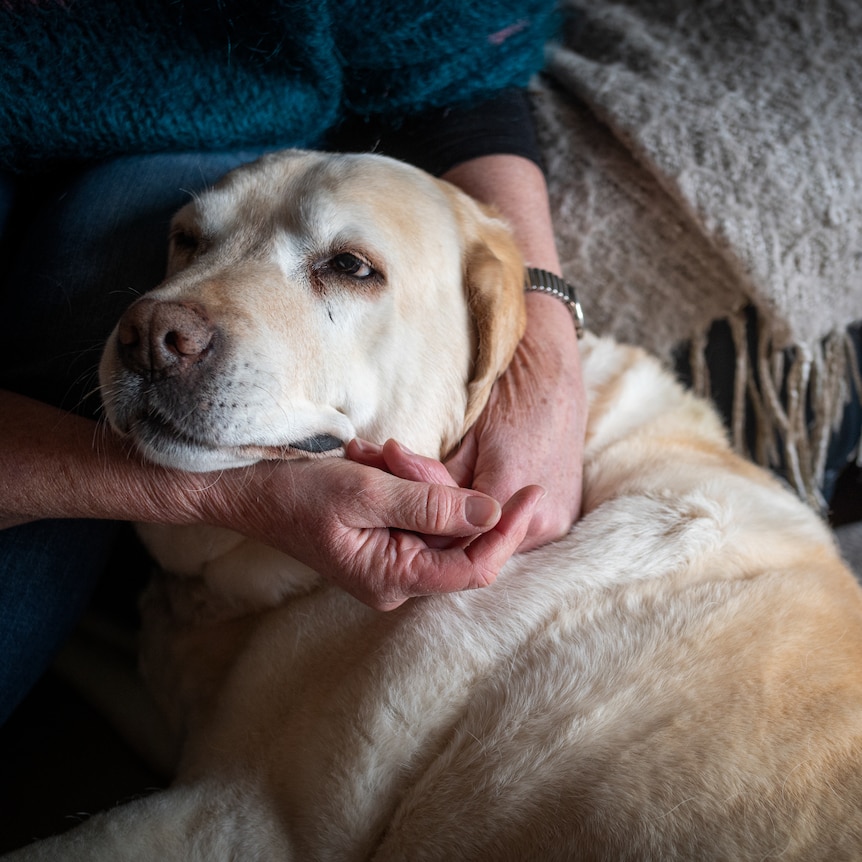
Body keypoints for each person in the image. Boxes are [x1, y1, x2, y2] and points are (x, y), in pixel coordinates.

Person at [0, 1, 587, 725]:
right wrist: (231, 498)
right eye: (192, 244)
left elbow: (454, 56)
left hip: (173, 119)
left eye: (346, 266)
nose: (162, 327)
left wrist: (545, 343)